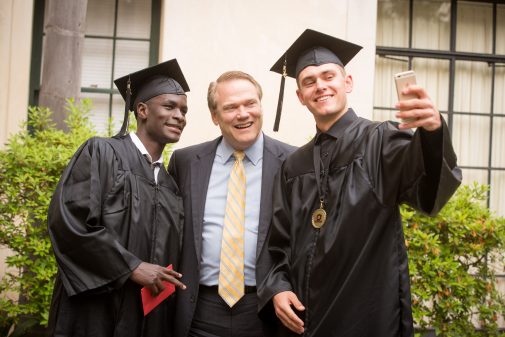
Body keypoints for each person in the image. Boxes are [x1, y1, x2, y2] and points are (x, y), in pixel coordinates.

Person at [257, 29, 462, 336]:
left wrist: (431, 133)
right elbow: (278, 242)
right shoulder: (294, 165)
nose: (320, 86)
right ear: (300, 96)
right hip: (304, 318)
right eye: (309, 81)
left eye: (329, 76)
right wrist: (277, 287)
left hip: (365, 312)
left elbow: (427, 189)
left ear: (347, 82)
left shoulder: (381, 140)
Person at [47, 59, 189, 337]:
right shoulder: (101, 153)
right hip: (95, 310)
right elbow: (69, 223)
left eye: (184, 110)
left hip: (148, 317)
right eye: (170, 106)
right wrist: (132, 267)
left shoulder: (170, 185)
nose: (180, 116)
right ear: (142, 110)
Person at [168, 70, 296, 337]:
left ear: (260, 106)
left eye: (250, 103)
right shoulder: (186, 162)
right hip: (200, 311)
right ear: (215, 116)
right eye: (230, 107)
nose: (243, 114)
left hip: (266, 310)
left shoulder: (293, 163)